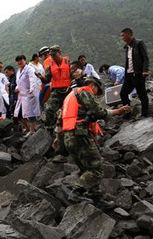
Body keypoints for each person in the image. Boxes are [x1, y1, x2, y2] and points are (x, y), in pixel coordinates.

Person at [53, 77, 131, 209]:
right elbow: (98, 112)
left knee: (86, 169)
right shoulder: (85, 92)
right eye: (97, 91)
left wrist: (57, 138)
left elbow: (60, 118)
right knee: (96, 170)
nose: (95, 94)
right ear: (93, 85)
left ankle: (97, 198)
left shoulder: (69, 97)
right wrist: (117, 111)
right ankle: (76, 192)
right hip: (80, 135)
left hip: (68, 137)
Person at [37, 45, 72, 131]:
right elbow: (46, 80)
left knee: (71, 108)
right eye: (51, 55)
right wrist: (41, 77)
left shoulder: (69, 63)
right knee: (49, 108)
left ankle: (71, 126)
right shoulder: (50, 66)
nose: (53, 57)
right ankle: (51, 128)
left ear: (59, 53)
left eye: (54, 55)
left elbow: (75, 76)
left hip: (68, 90)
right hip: (56, 91)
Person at [119, 28, 150, 119]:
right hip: (129, 74)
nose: (122, 38)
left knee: (142, 94)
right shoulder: (127, 47)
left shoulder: (139, 43)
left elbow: (145, 57)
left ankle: (144, 114)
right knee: (123, 93)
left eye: (123, 36)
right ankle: (127, 113)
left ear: (129, 35)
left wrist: (145, 70)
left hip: (138, 73)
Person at [14, 55, 40, 135]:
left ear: (25, 60)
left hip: (29, 94)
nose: (19, 62)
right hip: (22, 95)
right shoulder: (19, 71)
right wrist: (17, 87)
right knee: (23, 114)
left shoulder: (29, 69)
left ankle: (32, 131)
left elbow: (32, 79)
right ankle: (30, 129)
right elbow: (18, 82)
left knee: (31, 113)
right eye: (18, 61)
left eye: (21, 60)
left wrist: (32, 88)